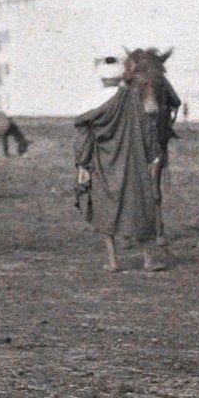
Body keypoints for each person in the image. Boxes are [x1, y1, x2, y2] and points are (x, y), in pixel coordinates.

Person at [74, 67, 166, 272]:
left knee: (105, 207)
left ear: (101, 79)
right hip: (133, 161)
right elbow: (148, 129)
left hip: (103, 163)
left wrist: (82, 164)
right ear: (119, 78)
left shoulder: (90, 101)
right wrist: (153, 156)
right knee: (139, 205)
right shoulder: (135, 100)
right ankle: (148, 260)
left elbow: (83, 136)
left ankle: (113, 260)